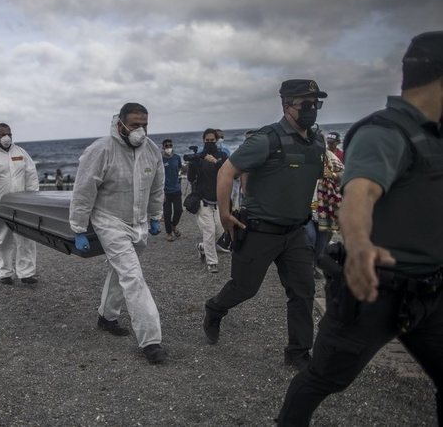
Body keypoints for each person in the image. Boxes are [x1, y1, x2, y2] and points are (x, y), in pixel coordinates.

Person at [278, 31, 443, 426]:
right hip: (374, 290)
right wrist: (359, 244)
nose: (313, 109)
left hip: (432, 291)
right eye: (308, 103)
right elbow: (360, 193)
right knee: (323, 378)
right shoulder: (385, 132)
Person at [202, 79, 326, 371]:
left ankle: (298, 353)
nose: (312, 110)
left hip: (295, 231)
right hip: (259, 230)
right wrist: (225, 213)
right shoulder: (266, 138)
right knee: (245, 288)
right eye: (305, 104)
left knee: (302, 291)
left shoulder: (317, 140)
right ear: (286, 106)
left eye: (315, 104)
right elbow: (227, 170)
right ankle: (215, 308)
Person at [70, 102, 167, 364]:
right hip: (109, 220)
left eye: (144, 125)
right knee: (133, 276)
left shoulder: (151, 150)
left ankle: (107, 317)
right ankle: (151, 341)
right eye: (135, 125)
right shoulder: (101, 149)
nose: (140, 130)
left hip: (138, 222)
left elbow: (157, 186)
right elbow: (84, 189)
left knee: (120, 271)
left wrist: (155, 216)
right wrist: (79, 227)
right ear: (120, 124)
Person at [0, 123, 39, 284]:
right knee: (3, 239)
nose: (7, 137)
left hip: (22, 205)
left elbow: (31, 175)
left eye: (9, 134)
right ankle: (6, 273)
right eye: (3, 134)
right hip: (0, 206)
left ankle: (26, 274)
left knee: (25, 239)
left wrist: (33, 199)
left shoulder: (21, 152)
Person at [187, 128, 228, 274]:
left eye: (212, 140)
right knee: (209, 231)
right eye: (207, 140)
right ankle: (212, 262)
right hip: (202, 200)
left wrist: (216, 162)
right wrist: (193, 164)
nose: (209, 142)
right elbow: (191, 178)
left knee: (220, 229)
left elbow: (229, 174)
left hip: (218, 199)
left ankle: (202, 247)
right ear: (203, 140)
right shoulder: (199, 157)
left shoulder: (222, 156)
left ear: (216, 140)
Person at [161, 138, 183, 241]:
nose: (168, 148)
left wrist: (179, 182)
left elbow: (179, 170)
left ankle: (174, 225)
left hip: (176, 190)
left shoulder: (177, 158)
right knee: (167, 213)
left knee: (179, 210)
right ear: (163, 147)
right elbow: (158, 176)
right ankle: (169, 233)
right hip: (165, 191)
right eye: (166, 146)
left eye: (170, 145)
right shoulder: (160, 159)